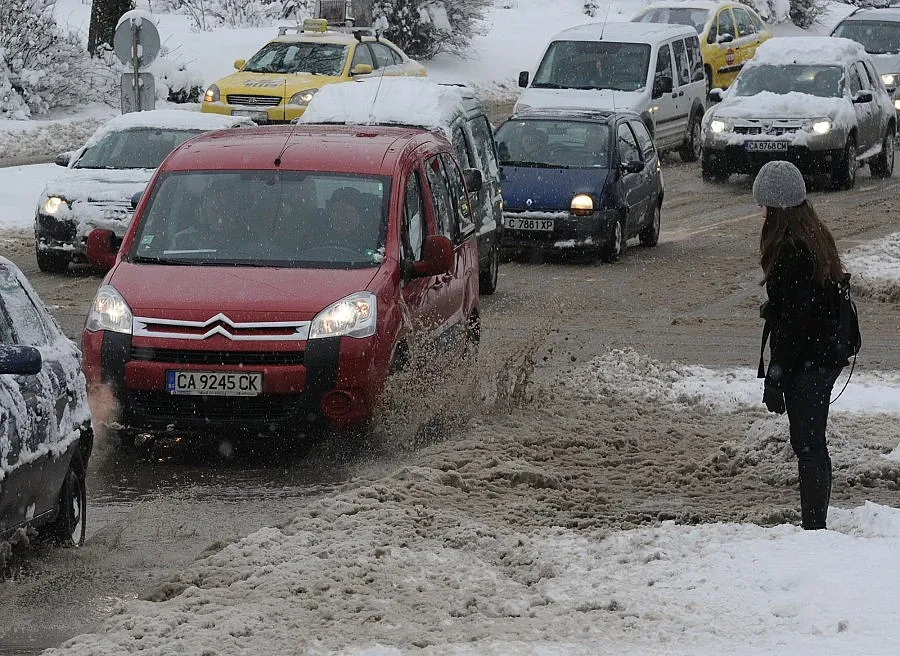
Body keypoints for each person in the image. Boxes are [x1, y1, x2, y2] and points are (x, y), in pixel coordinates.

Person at [754, 160, 849, 531]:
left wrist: (776, 375)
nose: (760, 212)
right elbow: (805, 308)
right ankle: (816, 523)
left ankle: (814, 528)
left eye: (764, 205)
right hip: (824, 355)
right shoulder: (814, 235)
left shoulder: (790, 248)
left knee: (808, 445)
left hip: (809, 359)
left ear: (777, 208)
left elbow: (795, 324)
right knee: (814, 442)